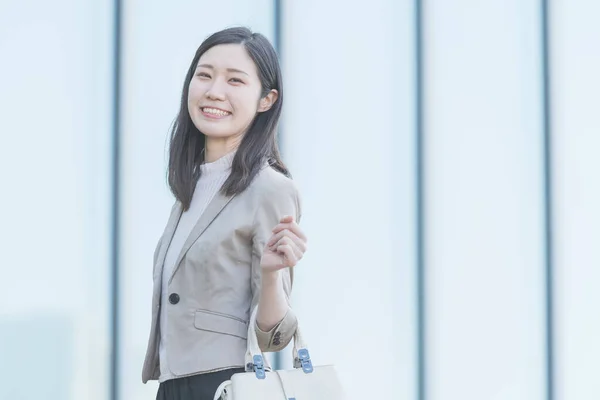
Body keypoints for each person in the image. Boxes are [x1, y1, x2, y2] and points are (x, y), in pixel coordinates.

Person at [141, 27, 308, 400]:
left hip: (224, 385)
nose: (215, 90)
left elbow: (274, 336)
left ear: (266, 99)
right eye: (204, 75)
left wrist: (270, 274)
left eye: (235, 80)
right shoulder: (187, 193)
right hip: (172, 386)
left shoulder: (271, 189)